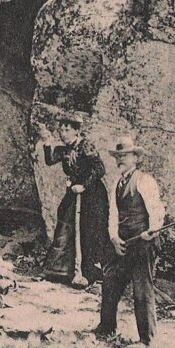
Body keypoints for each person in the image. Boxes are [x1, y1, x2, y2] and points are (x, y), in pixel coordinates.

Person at [96, 135, 166, 348]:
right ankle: (106, 329)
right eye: (118, 156)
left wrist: (151, 231)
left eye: (125, 156)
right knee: (110, 280)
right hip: (124, 243)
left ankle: (147, 340)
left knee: (141, 289)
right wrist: (114, 238)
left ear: (136, 158)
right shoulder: (117, 183)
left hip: (143, 243)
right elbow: (113, 215)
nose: (120, 160)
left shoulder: (145, 181)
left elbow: (157, 210)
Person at [38, 113, 109, 285]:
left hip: (92, 194)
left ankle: (90, 273)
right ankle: (58, 270)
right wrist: (47, 141)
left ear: (76, 131)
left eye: (67, 130)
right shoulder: (63, 149)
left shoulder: (85, 146)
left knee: (89, 229)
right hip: (74, 191)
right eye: (61, 130)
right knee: (64, 221)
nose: (63, 133)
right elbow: (50, 160)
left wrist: (84, 185)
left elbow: (99, 169)